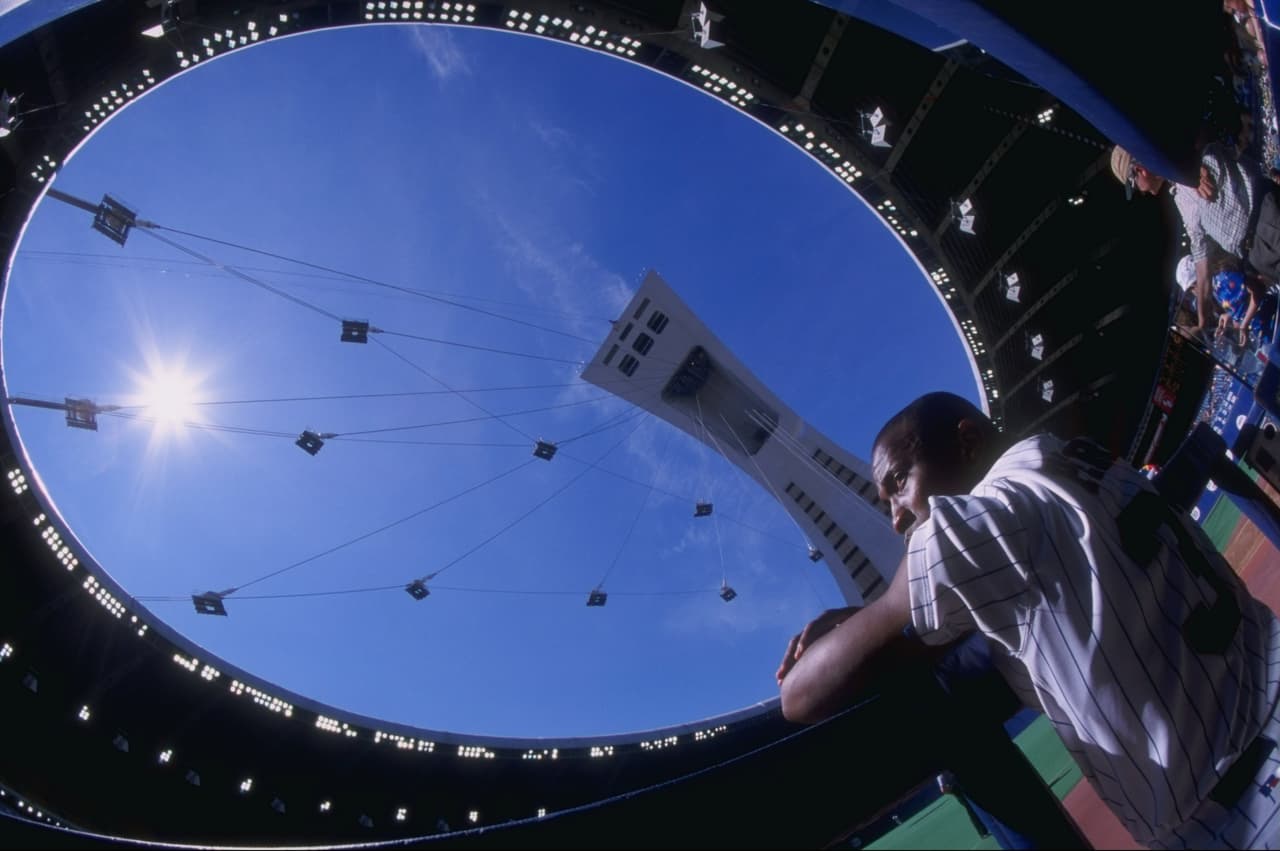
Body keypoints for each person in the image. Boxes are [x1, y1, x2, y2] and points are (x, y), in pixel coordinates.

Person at [776, 392, 1280, 849]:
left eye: (899, 482)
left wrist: (868, 617)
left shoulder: (974, 520)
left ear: (968, 441)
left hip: (1238, 807)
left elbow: (799, 696)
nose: (897, 518)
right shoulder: (1070, 456)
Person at [1111, 143, 1258, 334]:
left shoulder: (1189, 164)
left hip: (1264, 225)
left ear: (1140, 170)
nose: (1141, 192)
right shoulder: (1178, 196)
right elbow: (1199, 252)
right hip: (1255, 252)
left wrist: (1195, 165)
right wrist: (1202, 323)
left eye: (1134, 184)